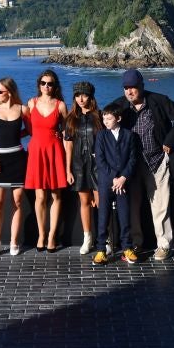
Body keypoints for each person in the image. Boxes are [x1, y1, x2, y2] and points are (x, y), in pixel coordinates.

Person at [110, 69, 174, 261]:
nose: (129, 92)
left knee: (161, 206)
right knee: (133, 206)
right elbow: (103, 120)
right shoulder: (119, 106)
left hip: (157, 161)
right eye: (126, 88)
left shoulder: (158, 100)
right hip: (132, 165)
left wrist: (170, 141)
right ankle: (135, 244)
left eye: (133, 88)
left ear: (142, 87)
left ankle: (163, 245)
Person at [0, 77, 28, 257]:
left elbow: (31, 131)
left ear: (9, 92)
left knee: (17, 202)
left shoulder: (23, 110)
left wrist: (17, 134)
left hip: (18, 159)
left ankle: (14, 242)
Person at [25, 69, 68, 252]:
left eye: (50, 83)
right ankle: (41, 234)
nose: (46, 86)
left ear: (54, 86)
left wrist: (68, 162)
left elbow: (67, 132)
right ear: (39, 85)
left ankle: (52, 235)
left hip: (55, 151)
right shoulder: (31, 103)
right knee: (40, 196)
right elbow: (28, 129)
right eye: (43, 83)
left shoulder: (60, 105)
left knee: (56, 195)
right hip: (36, 152)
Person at [91, 103, 138, 266]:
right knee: (103, 215)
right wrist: (114, 178)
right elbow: (100, 160)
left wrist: (123, 177)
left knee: (124, 215)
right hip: (106, 182)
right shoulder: (101, 136)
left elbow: (133, 159)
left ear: (118, 118)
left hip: (123, 183)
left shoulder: (129, 135)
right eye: (104, 118)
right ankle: (101, 250)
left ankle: (127, 248)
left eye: (109, 118)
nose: (105, 121)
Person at [63, 80, 103, 255]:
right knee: (84, 202)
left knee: (102, 203)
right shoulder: (71, 119)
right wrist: (67, 169)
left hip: (98, 166)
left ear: (90, 96)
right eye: (77, 95)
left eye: (84, 94)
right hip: (79, 165)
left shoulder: (100, 116)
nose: (81, 98)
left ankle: (105, 238)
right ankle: (88, 238)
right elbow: (68, 145)